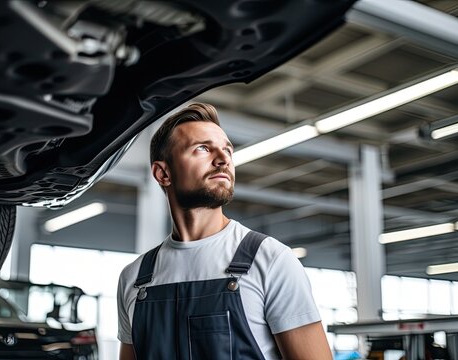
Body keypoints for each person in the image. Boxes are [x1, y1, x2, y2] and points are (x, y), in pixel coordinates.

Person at [117, 103, 331, 359]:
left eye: (227, 150)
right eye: (203, 148)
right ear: (163, 173)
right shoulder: (134, 278)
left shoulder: (271, 260)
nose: (223, 159)